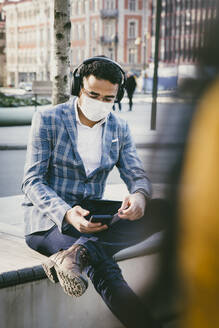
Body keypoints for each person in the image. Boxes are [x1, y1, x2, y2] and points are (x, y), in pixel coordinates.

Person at [22, 56, 164, 328]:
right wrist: (66, 213)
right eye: (93, 94)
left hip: (92, 214)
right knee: (105, 269)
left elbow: (137, 174)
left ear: (118, 96)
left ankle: (78, 253)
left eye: (109, 98)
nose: (101, 103)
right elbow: (32, 181)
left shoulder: (119, 127)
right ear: (78, 88)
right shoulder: (48, 119)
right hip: (49, 222)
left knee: (163, 209)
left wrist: (139, 196)